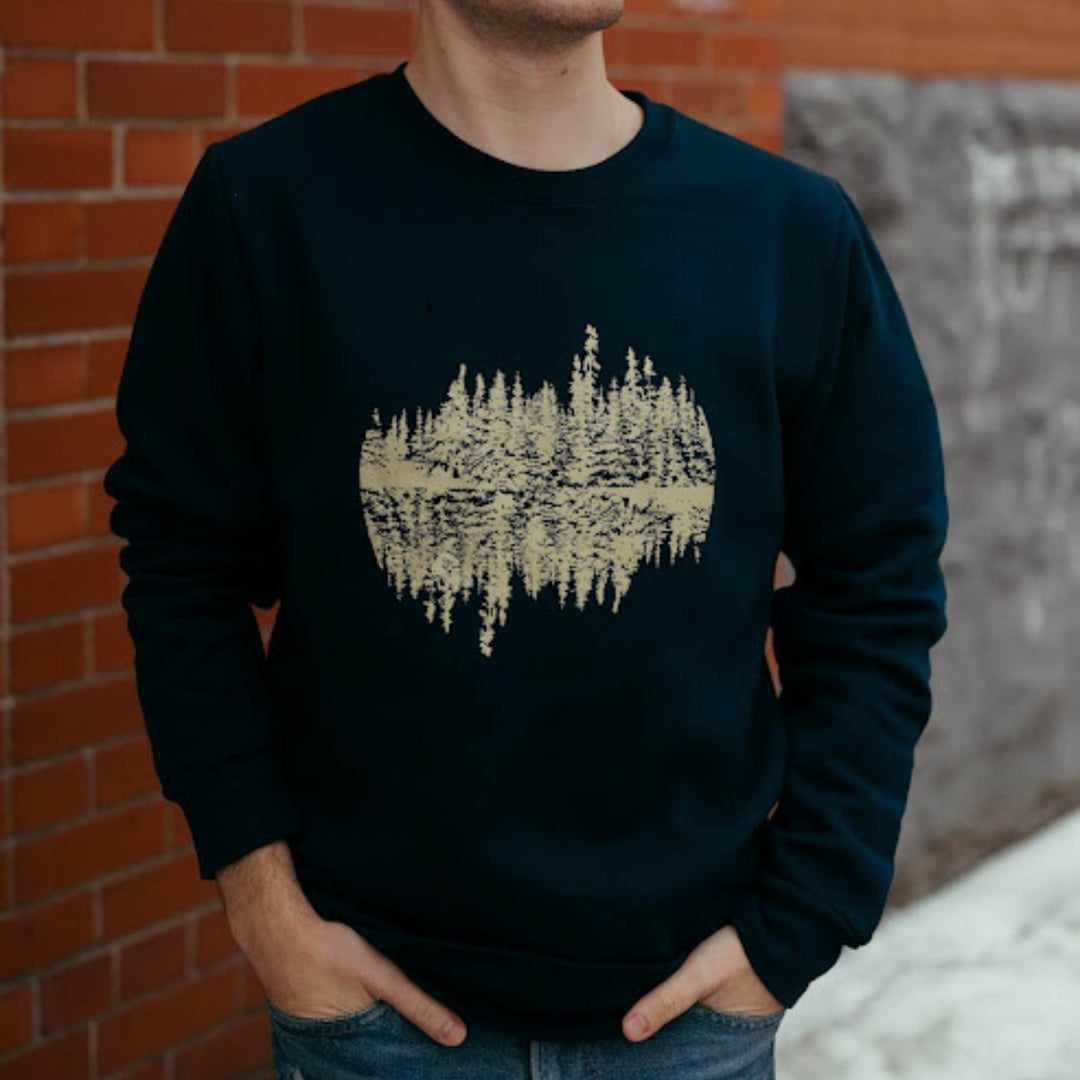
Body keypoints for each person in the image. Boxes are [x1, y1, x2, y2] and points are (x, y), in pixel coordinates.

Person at [101, 0, 949, 1075]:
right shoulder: (266, 207)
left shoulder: (786, 231)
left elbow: (879, 582)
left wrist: (804, 917)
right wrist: (264, 903)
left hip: (692, 1020)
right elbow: (182, 565)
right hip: (374, 1019)